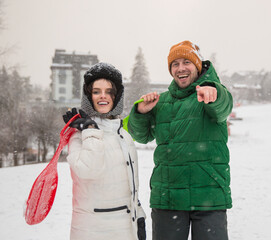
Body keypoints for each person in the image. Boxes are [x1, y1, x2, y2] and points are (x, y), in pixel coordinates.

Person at [127, 40, 233, 240]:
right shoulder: (162, 101)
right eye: (175, 64)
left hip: (209, 196)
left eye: (187, 62)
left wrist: (214, 93)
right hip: (169, 197)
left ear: (197, 66)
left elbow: (223, 107)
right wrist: (141, 112)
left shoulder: (213, 93)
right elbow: (141, 135)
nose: (181, 68)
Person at [62, 62, 146, 240]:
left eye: (109, 91)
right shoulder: (78, 135)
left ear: (117, 96)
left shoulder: (123, 135)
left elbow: (130, 184)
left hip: (126, 230)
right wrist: (90, 130)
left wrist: (139, 214)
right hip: (93, 231)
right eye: (96, 91)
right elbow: (88, 170)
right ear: (88, 95)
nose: (103, 96)